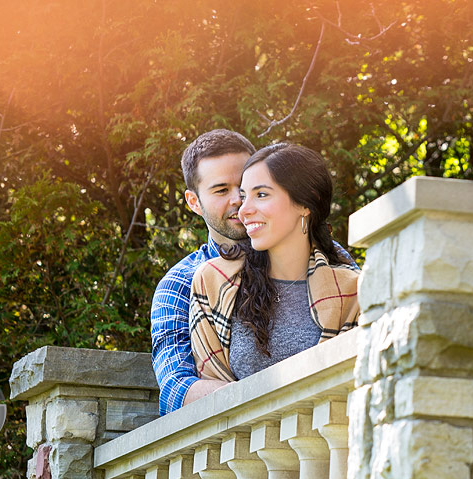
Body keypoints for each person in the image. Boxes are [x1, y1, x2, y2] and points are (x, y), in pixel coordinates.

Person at [150, 129, 356, 413]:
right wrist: (272, 408)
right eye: (222, 190)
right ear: (194, 202)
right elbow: (176, 387)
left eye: (247, 189)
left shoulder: (331, 260)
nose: (239, 202)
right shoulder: (184, 282)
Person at [188, 143, 359, 382]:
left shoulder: (352, 291)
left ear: (305, 203)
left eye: (261, 195)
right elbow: (212, 386)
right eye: (244, 196)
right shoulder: (214, 282)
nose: (243, 209)